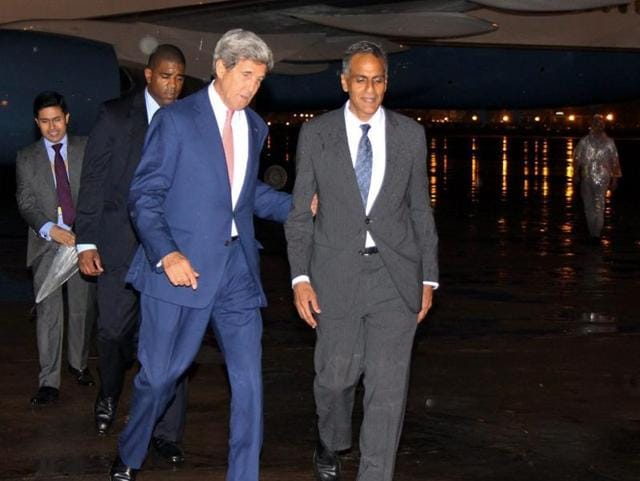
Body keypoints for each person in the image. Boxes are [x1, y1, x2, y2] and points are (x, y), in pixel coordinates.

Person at [108, 29, 292, 481]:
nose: (251, 87)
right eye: (246, 75)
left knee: (249, 385)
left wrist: (306, 207)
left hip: (236, 271)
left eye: (259, 79)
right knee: (160, 377)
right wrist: (167, 254)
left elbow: (246, 198)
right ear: (221, 68)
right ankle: (131, 451)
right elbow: (145, 196)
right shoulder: (176, 121)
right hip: (180, 272)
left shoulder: (253, 125)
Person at [285, 40, 439, 481]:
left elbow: (419, 210)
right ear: (344, 82)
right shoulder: (317, 134)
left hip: (396, 278)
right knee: (335, 379)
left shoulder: (410, 135)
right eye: (360, 80)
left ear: (386, 83)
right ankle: (330, 439)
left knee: (388, 393)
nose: (369, 90)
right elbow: (299, 215)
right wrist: (300, 277)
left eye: (377, 80)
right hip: (334, 276)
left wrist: (428, 277)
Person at [74, 45, 189, 463]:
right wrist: (86, 241)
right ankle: (108, 391)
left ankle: (166, 430)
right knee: (112, 332)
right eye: (165, 77)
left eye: (178, 78)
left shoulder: (191, 119)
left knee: (171, 340)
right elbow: (93, 180)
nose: (172, 85)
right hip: (119, 243)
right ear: (148, 74)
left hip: (171, 251)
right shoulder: (115, 115)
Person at [15, 91, 96, 406]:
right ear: (37, 123)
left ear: (68, 118)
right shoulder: (26, 156)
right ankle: (49, 381)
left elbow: (95, 191)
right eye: (45, 122)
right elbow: (26, 201)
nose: (52, 128)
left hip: (83, 242)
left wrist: (84, 235)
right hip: (47, 242)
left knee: (81, 308)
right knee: (49, 312)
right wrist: (51, 229)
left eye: (57, 120)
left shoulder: (86, 148)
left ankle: (78, 364)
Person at [573, 114, 622, 239]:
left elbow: (614, 161)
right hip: (588, 175)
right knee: (592, 205)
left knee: (596, 205)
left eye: (599, 124)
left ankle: (595, 234)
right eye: (596, 124)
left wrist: (615, 178)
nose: (597, 126)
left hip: (599, 177)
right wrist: (576, 173)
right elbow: (577, 159)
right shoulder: (585, 141)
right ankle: (594, 233)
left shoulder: (608, 142)